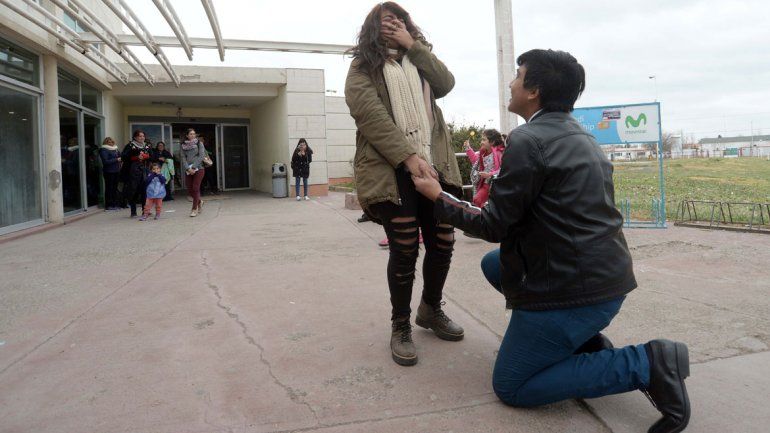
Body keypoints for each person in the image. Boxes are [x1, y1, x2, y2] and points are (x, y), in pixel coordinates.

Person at [411, 49, 691, 433]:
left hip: (573, 288)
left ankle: (648, 363)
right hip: (606, 278)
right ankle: (583, 343)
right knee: (494, 264)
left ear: (534, 91)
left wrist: (437, 197)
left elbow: (493, 225)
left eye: (518, 75)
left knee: (513, 385)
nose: (511, 83)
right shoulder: (581, 135)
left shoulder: (528, 139)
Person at [345, 2, 465, 366]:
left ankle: (430, 308)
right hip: (391, 168)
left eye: (400, 19)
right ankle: (400, 325)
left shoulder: (420, 60)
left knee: (443, 242)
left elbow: (446, 84)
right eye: (387, 20)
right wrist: (408, 157)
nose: (394, 23)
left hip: (434, 163)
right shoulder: (362, 66)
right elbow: (369, 115)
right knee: (405, 248)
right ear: (373, 28)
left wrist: (414, 46)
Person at [463, 128, 505, 207]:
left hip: (495, 183)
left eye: (484, 140)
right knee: (477, 200)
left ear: (492, 142)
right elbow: (475, 161)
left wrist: (490, 175)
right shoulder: (482, 152)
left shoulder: (499, 153)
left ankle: (484, 212)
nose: (481, 142)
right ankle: (483, 213)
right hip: (485, 183)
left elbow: (504, 169)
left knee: (480, 200)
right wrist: (468, 148)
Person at [121, 130, 151, 218]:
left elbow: (152, 156)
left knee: (144, 190)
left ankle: (145, 211)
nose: (142, 138)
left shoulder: (147, 146)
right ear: (135, 137)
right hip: (132, 171)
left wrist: (146, 156)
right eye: (140, 136)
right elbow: (123, 157)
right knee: (134, 190)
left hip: (144, 170)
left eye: (143, 136)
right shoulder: (130, 146)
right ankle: (133, 211)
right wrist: (136, 157)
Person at [179, 128, 206, 217]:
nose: (193, 135)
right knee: (190, 189)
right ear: (187, 135)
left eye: (194, 134)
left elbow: (201, 156)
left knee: (195, 188)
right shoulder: (183, 145)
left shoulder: (199, 143)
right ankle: (199, 201)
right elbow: (183, 157)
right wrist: (188, 168)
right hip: (188, 170)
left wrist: (193, 167)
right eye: (191, 134)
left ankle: (194, 209)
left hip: (199, 168)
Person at [99, 137, 122, 211]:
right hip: (109, 172)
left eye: (112, 142)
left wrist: (121, 158)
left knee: (115, 188)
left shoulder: (115, 149)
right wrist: (117, 159)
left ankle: (114, 204)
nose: (111, 143)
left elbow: (120, 156)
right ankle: (108, 205)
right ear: (105, 143)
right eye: (109, 142)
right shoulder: (103, 150)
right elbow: (105, 161)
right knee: (109, 188)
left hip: (116, 171)